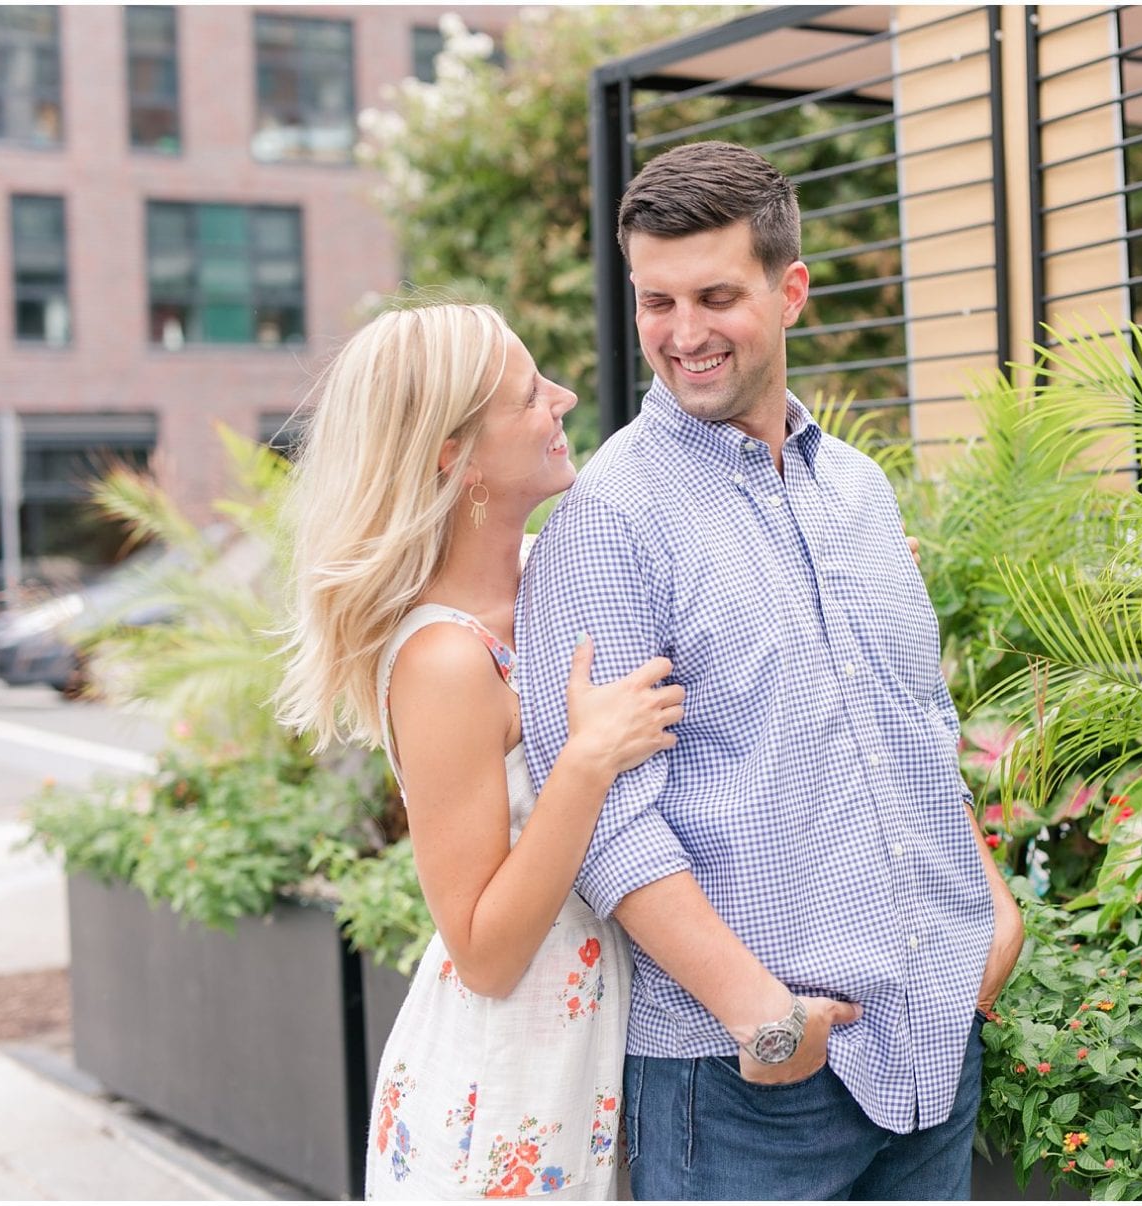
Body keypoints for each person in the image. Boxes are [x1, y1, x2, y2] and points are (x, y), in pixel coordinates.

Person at [516, 141, 1025, 1201]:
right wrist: (763, 1015)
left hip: (931, 1049)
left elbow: (910, 724)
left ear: (790, 291)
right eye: (657, 302)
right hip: (744, 1086)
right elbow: (606, 813)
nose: (683, 335)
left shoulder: (861, 491)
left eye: (715, 296)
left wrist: (991, 909)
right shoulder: (610, 519)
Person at [274, 302, 685, 1199]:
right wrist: (585, 763)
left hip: (595, 1058)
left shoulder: (550, 575)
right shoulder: (444, 659)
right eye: (530, 395)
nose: (565, 398)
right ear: (451, 455)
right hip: (507, 1095)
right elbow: (483, 952)